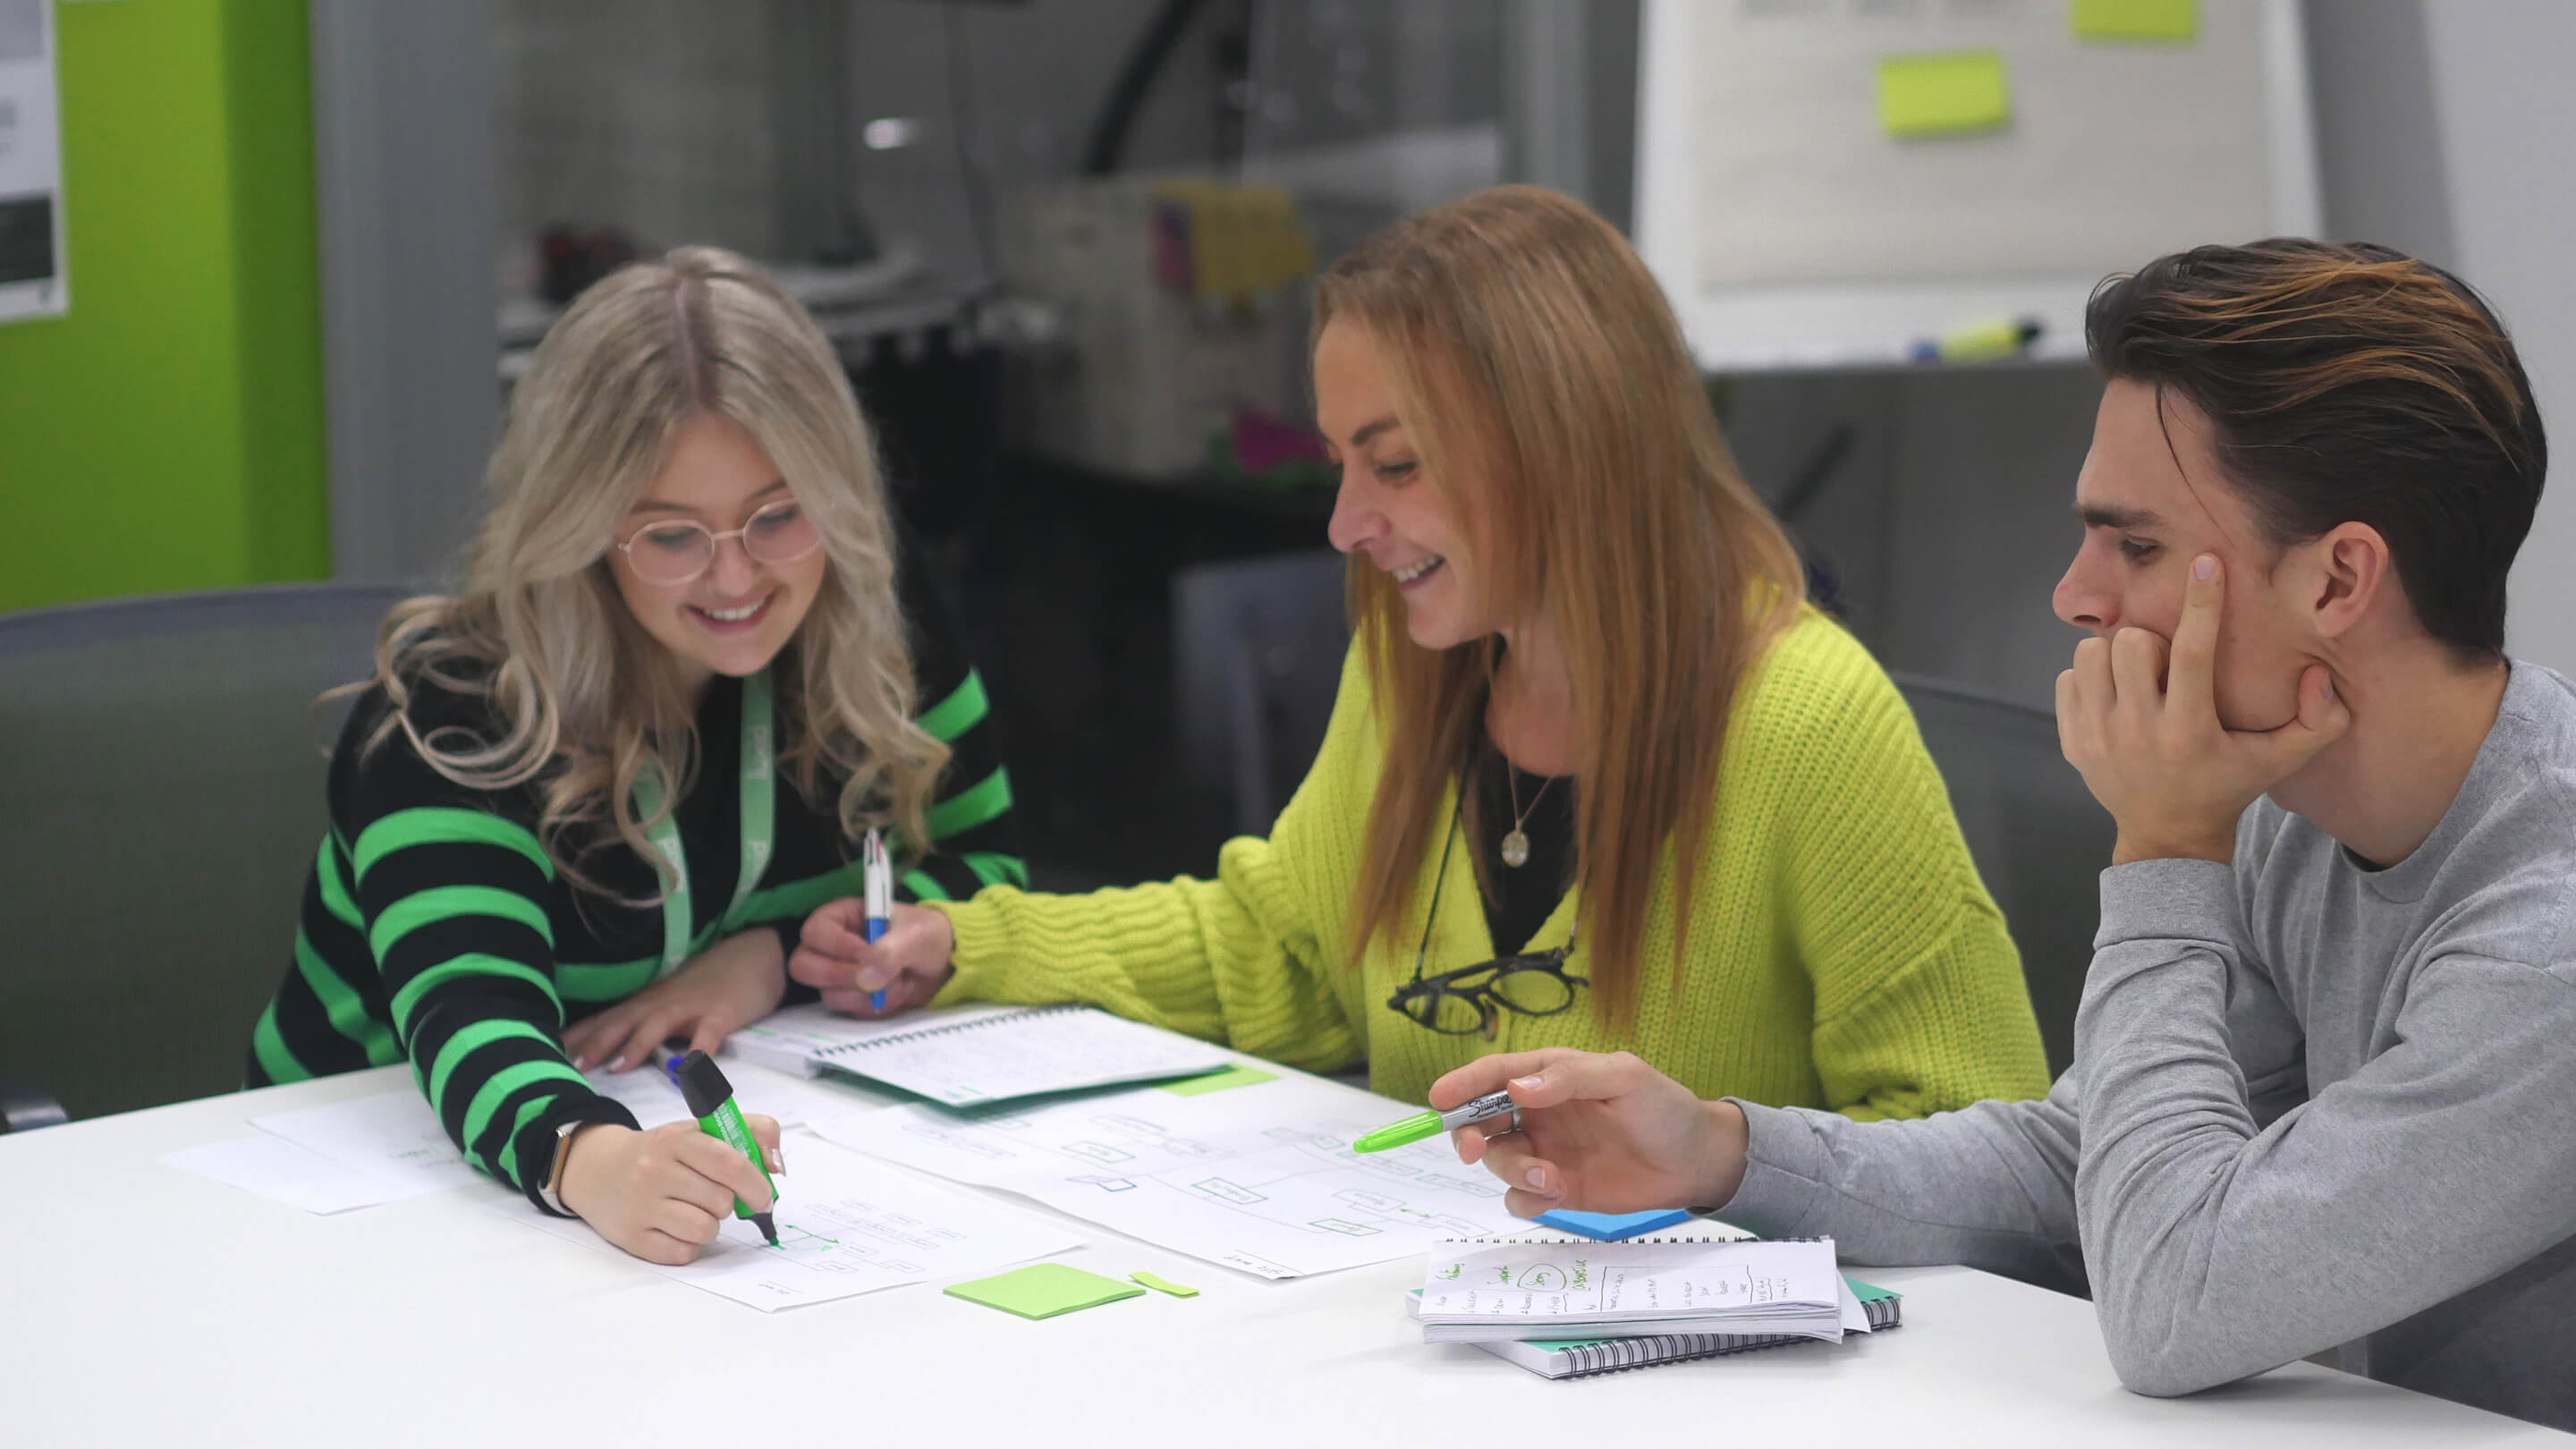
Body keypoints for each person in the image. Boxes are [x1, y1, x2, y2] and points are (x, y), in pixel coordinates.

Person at [1429, 240, 2573, 1431]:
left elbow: (2173, 1301)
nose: (2074, 594)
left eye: (2134, 546)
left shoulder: (2549, 938)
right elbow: (2082, 1168)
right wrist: (1722, 1153)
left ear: (2339, 582)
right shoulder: (2305, 811)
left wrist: (2168, 850)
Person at [791, 186, 2050, 1118]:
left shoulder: (1809, 721)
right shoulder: (1417, 667)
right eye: (1340, 463)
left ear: (1563, 445)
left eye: (1395, 465)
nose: (1346, 525)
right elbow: (1282, 949)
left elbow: (1981, 1149)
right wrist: (974, 946)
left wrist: (1721, 1161)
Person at [244, 247, 1021, 1265]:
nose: (737, 575)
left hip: (685, 1137)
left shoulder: (874, 614)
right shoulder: (453, 714)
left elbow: (990, 874)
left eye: (780, 516)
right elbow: (471, 1015)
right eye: (671, 536)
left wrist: (772, 958)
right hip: (356, 1197)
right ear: (580, 527)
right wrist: (597, 1163)